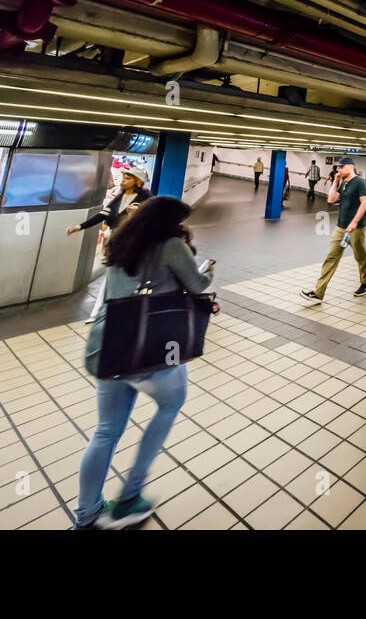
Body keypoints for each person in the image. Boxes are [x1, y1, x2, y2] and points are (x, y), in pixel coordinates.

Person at [72, 196, 214, 529]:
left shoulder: (120, 241)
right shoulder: (171, 246)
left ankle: (87, 514)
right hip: (150, 349)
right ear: (170, 223)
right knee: (169, 405)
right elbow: (196, 286)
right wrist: (206, 270)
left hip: (108, 346)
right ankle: (130, 496)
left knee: (105, 432)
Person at [302, 156, 366, 302]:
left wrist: (354, 222)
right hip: (341, 227)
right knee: (331, 258)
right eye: (338, 167)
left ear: (350, 166)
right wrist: (335, 180)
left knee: (360, 256)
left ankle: (365, 283)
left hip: (356, 228)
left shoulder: (360, 182)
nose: (339, 170)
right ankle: (318, 292)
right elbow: (331, 199)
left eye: (341, 167)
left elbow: (364, 203)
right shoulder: (343, 182)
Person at [67, 166, 149, 238]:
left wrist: (139, 211)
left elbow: (154, 220)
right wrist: (80, 226)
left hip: (135, 241)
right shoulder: (120, 197)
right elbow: (104, 214)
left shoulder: (146, 197)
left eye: (128, 179)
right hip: (117, 239)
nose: (123, 181)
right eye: (124, 178)